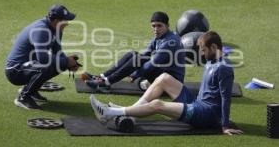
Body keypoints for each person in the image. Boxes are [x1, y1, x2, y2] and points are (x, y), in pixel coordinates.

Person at [90, 31, 243, 135]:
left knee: (158, 104)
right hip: (197, 103)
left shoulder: (224, 68)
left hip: (205, 116)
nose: (202, 54)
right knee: (164, 78)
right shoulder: (212, 60)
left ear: (214, 47)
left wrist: (225, 125)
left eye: (204, 50)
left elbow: (226, 98)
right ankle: (132, 112)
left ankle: (109, 113)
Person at [84, 11, 186, 91]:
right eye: (153, 26)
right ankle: (102, 76)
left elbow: (152, 63)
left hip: (173, 82)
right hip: (164, 74)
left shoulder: (170, 41)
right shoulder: (159, 36)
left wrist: (135, 74)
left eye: (159, 26)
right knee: (132, 54)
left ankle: (106, 83)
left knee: (139, 59)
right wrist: (132, 66)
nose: (156, 29)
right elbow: (145, 54)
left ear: (167, 26)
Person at [5, 4, 80, 110]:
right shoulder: (41, 30)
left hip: (29, 66)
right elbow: (43, 59)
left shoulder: (56, 30)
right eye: (65, 20)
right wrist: (66, 61)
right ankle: (23, 98)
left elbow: (57, 52)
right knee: (45, 66)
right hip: (15, 71)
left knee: (60, 64)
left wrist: (69, 63)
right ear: (56, 21)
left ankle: (32, 90)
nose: (67, 23)